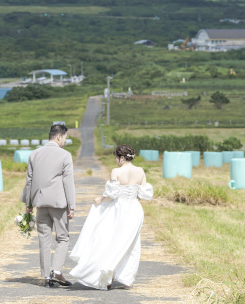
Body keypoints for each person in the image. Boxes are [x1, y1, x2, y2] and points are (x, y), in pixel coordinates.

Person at [68, 144, 153, 290]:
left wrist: (99, 200)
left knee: (112, 241)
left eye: (116, 157)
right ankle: (128, 281)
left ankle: (108, 275)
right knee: (132, 245)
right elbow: (143, 194)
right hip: (135, 210)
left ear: (121, 157)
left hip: (119, 210)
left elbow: (112, 195)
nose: (115, 161)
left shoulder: (116, 171)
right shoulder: (140, 171)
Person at [21, 122, 76, 288]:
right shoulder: (65, 155)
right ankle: (57, 271)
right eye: (65, 137)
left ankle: (46, 276)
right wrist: (71, 205)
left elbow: (29, 181)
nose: (65, 141)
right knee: (63, 237)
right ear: (59, 136)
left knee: (44, 239)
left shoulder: (34, 154)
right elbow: (68, 182)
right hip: (58, 204)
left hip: (40, 203)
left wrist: (28, 203)